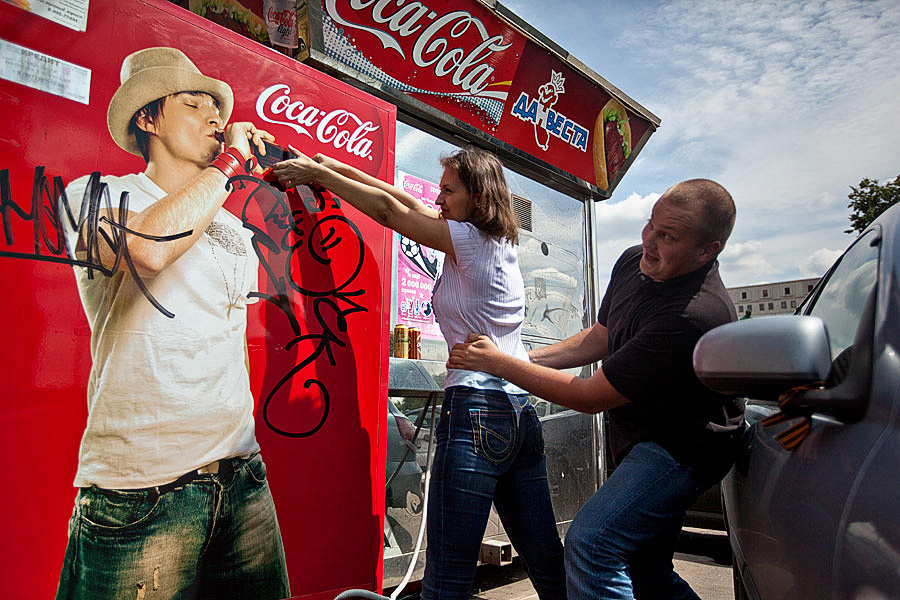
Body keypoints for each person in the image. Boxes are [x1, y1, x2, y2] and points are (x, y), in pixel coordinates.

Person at [272, 147, 566, 600]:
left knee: (447, 578)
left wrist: (317, 174)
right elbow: (399, 198)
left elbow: (391, 212)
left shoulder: (467, 240)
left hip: (476, 412)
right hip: (518, 411)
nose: (440, 198)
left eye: (449, 191)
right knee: (547, 561)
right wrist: (326, 169)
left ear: (478, 196)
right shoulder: (500, 242)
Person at [56, 47, 290, 599]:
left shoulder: (233, 229)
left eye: (218, 107)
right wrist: (227, 169)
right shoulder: (95, 196)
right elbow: (149, 248)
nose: (216, 117)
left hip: (242, 480)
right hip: (139, 495)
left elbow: (224, 339)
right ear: (149, 118)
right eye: (194, 104)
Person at [447, 179, 745, 599]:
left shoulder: (694, 314)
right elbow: (601, 336)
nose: (650, 243)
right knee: (645, 569)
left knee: (592, 544)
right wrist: (521, 357)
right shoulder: (634, 262)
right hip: (639, 434)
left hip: (684, 448)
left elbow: (589, 397)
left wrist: (499, 363)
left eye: (668, 236)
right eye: (650, 226)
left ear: (707, 250)